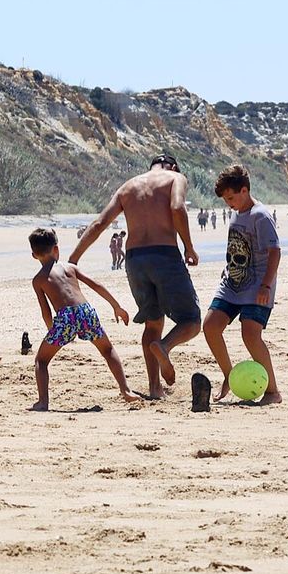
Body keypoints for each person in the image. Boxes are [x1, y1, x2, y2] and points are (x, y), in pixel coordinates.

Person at [69, 154, 200, 399]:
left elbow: (99, 223)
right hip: (164, 255)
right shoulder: (175, 178)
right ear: (172, 166)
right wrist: (189, 247)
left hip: (135, 260)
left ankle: (155, 388)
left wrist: (73, 259)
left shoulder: (127, 186)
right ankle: (164, 346)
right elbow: (177, 207)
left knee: (153, 323)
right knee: (192, 321)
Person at [28, 228, 136, 409]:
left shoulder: (38, 279)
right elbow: (96, 285)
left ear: (34, 255)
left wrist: (52, 331)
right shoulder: (70, 268)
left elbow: (45, 310)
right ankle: (126, 390)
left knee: (42, 360)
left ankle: (43, 402)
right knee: (108, 350)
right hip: (86, 311)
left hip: (65, 317)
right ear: (56, 249)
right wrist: (116, 306)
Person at [203, 165, 282, 405]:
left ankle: (273, 392)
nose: (228, 203)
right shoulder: (237, 212)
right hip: (232, 283)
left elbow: (275, 252)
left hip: (258, 285)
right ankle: (230, 376)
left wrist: (266, 286)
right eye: (225, 200)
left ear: (244, 190)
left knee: (250, 335)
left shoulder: (261, 216)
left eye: (231, 198)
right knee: (210, 326)